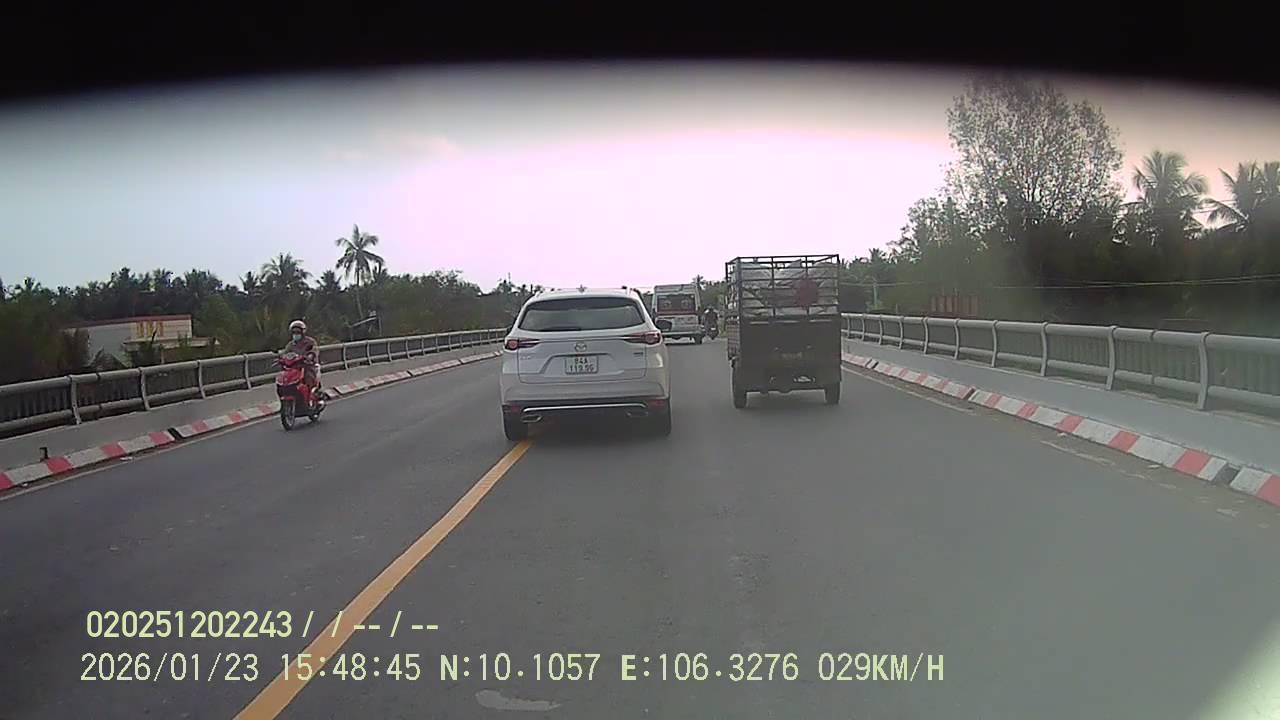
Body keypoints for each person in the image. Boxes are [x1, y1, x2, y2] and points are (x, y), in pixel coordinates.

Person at [283, 319, 320, 392]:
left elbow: (314, 350)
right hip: (294, 366)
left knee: (308, 376)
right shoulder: (291, 344)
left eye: (298, 332)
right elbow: (285, 352)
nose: (296, 334)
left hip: (307, 365)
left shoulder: (310, 341)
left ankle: (311, 391)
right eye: (294, 332)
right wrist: (282, 357)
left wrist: (311, 355)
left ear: (303, 332)